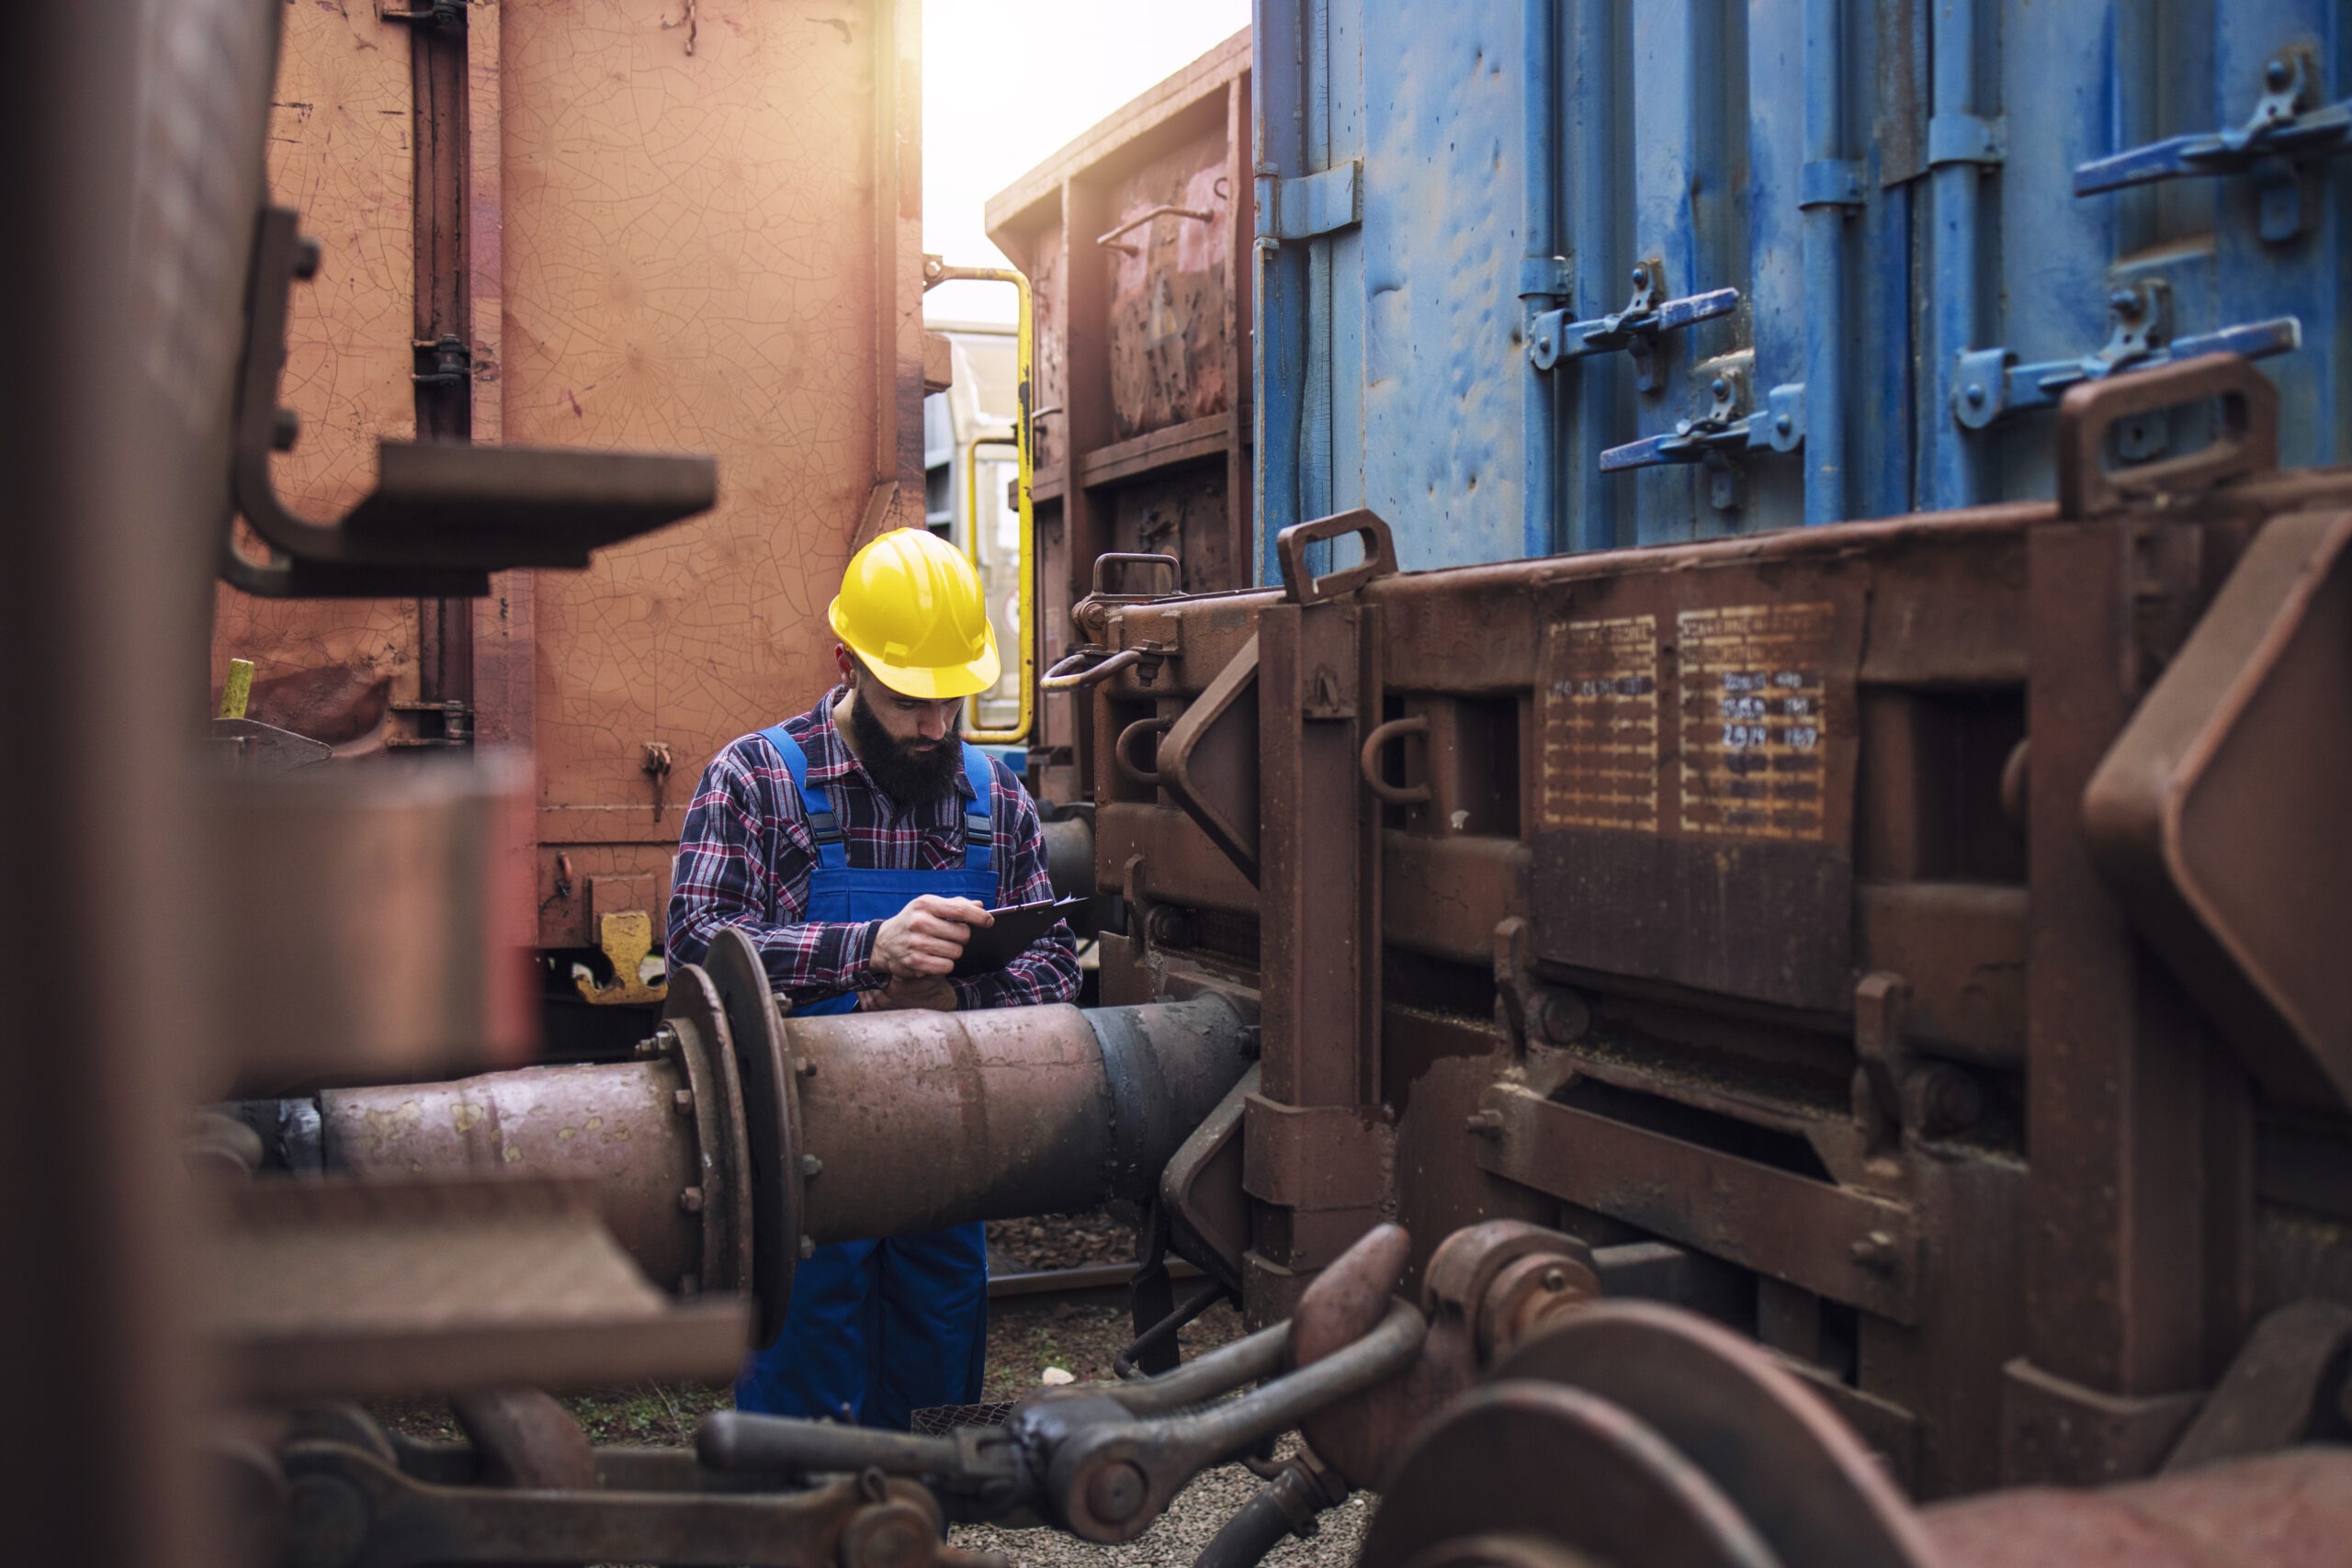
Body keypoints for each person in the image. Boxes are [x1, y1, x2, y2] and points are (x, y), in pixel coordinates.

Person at [667, 527, 1081, 1427]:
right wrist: (867, 952)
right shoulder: (754, 783)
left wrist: (957, 992)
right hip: (800, 1167)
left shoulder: (996, 797)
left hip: (952, 1157)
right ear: (846, 660)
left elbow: (1055, 969)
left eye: (951, 700)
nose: (935, 725)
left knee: (936, 1408)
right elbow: (698, 950)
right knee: (800, 1413)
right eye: (908, 701)